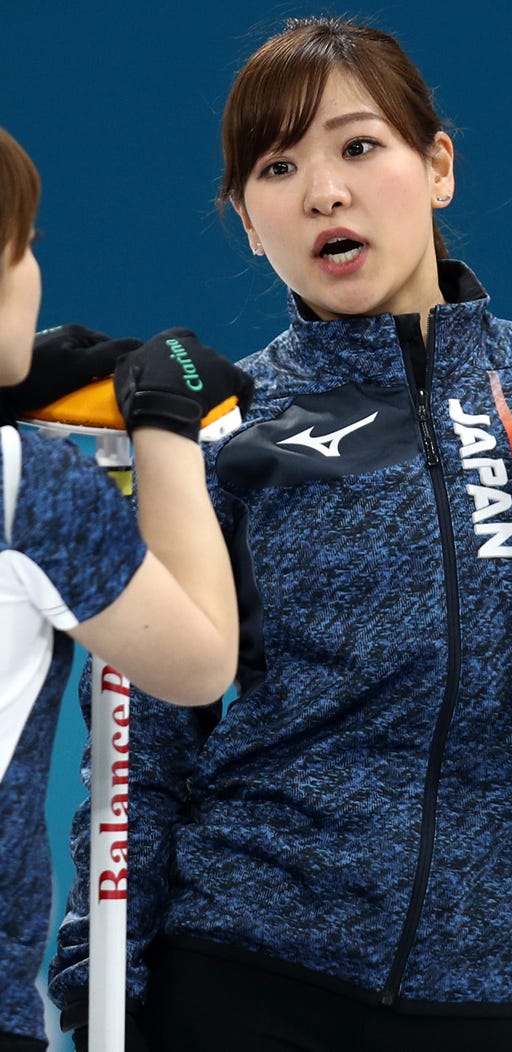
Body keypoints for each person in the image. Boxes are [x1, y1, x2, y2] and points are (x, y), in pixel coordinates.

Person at [48, 17, 512, 1052]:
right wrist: (98, 977)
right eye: (278, 166)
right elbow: (140, 745)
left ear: (435, 166)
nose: (323, 192)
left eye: (358, 146)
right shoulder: (224, 427)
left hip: (495, 988)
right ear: (248, 221)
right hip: (245, 971)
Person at [0, 125, 254, 1050]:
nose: (35, 274)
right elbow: (196, 662)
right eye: (23, 246)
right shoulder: (28, 484)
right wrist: (165, 425)